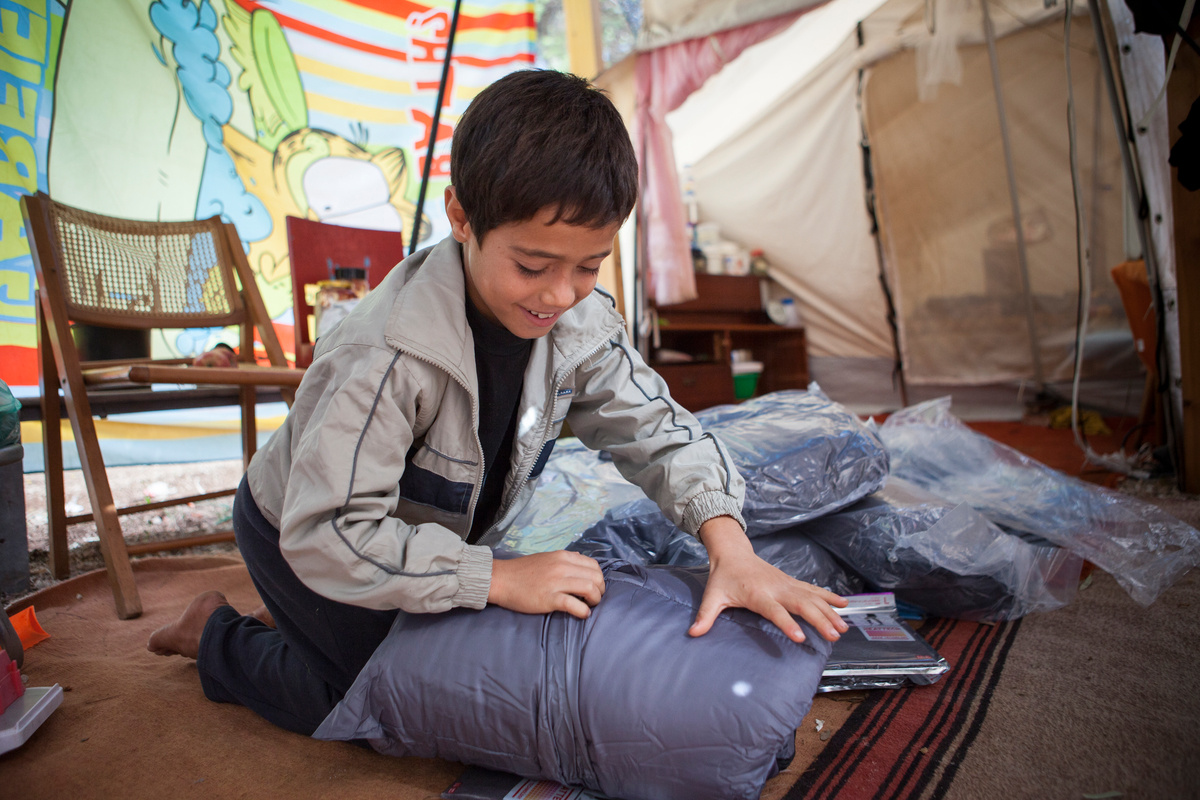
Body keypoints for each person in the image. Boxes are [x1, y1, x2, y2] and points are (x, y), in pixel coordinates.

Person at [148, 69, 848, 736]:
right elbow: (330, 534)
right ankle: (214, 635)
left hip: (423, 540)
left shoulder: (580, 324)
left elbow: (662, 435)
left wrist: (732, 549)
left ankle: (313, 624)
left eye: (588, 266)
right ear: (460, 215)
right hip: (301, 532)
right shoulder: (383, 355)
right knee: (376, 699)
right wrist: (495, 577)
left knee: (453, 657)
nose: (558, 295)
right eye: (532, 266)